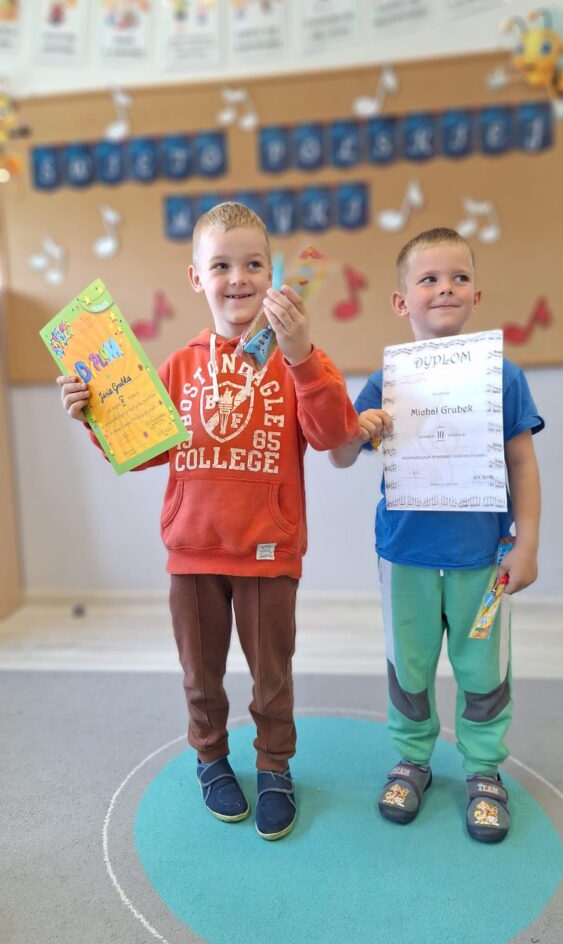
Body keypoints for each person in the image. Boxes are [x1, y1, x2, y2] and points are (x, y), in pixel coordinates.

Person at [58, 202, 360, 841]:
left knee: (272, 678)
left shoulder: (299, 358)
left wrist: (303, 356)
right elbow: (139, 450)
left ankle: (274, 766)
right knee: (200, 675)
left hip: (268, 553)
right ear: (197, 278)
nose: (238, 278)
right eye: (221, 265)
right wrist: (93, 416)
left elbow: (336, 435)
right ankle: (211, 758)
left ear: (273, 273)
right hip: (192, 553)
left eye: (254, 264)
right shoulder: (179, 366)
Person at [329, 227, 543, 843]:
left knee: (484, 668)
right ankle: (412, 760)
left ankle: (483, 769)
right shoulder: (386, 382)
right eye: (429, 279)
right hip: (405, 557)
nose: (445, 288)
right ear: (402, 301)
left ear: (477, 294)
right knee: (410, 665)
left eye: (458, 278)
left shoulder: (503, 376)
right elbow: (339, 455)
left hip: (483, 559)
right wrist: (358, 429)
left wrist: (527, 542)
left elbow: (522, 463)